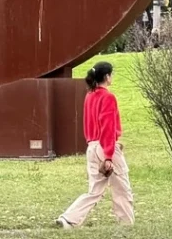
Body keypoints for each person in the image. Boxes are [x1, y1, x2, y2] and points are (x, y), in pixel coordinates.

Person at [56, 61, 134, 229]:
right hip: (106, 146)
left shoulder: (89, 96)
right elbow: (107, 126)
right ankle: (127, 223)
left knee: (95, 190)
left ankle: (69, 219)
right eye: (111, 74)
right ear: (107, 76)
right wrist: (108, 155)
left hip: (91, 146)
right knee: (121, 187)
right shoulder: (108, 97)